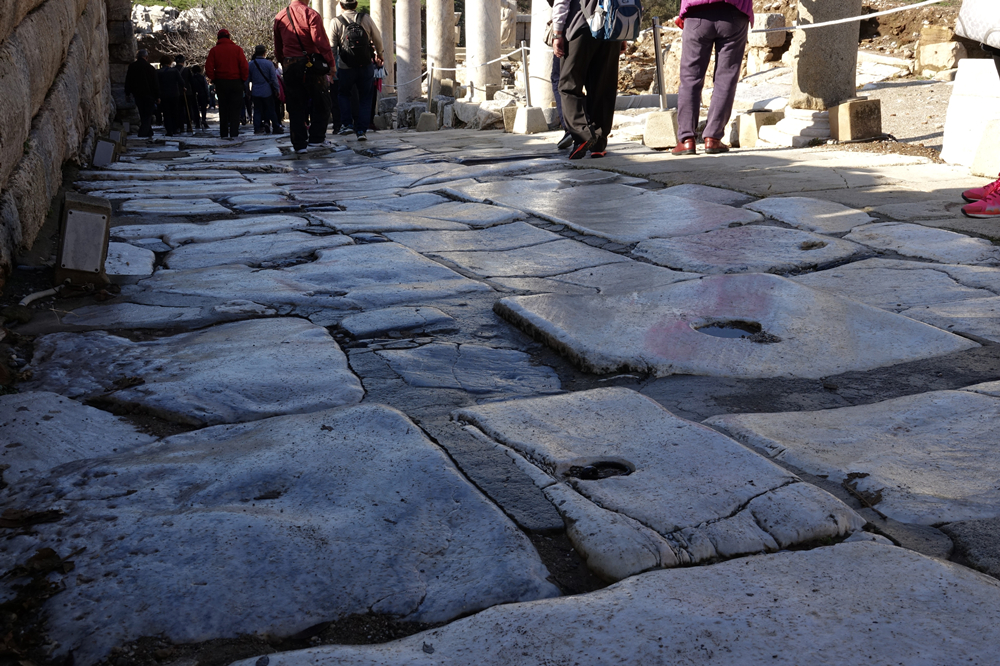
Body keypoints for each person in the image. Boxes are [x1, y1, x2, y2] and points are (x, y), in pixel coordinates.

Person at [671, 0, 753, 156]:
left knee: (690, 79)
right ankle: (713, 138)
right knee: (726, 79)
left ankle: (686, 140)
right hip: (734, 12)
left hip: (696, 14)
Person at [552, 0, 623, 159]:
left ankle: (582, 134)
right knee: (603, 86)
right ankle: (599, 143)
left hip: (581, 26)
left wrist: (557, 32)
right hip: (611, 27)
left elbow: (562, 2)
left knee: (568, 85)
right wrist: (622, 34)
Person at [274, 0, 336, 153]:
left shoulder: (280, 16)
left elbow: (278, 46)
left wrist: (284, 61)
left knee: (295, 105)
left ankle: (299, 144)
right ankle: (317, 138)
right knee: (322, 101)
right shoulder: (311, 14)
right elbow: (321, 42)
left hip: (290, 64)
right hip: (310, 64)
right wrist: (331, 63)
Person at [330, 0, 382, 141]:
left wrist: (332, 67)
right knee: (366, 97)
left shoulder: (335, 22)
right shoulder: (366, 18)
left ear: (341, 6)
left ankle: (347, 124)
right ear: (356, 4)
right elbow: (377, 38)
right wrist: (380, 54)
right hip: (365, 64)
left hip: (345, 66)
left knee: (343, 94)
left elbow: (332, 47)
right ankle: (361, 130)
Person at [205, 28, 250, 139]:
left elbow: (208, 67)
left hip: (221, 82)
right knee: (235, 109)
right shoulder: (237, 49)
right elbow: (244, 66)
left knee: (223, 109)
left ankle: (224, 133)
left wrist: (214, 79)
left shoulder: (214, 50)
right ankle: (234, 132)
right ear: (229, 37)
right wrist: (243, 79)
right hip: (236, 81)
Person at [124, 49, 160, 138]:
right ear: (146, 57)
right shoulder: (150, 68)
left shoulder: (132, 66)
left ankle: (149, 131)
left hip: (137, 94)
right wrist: (157, 96)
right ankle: (143, 132)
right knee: (148, 114)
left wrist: (127, 92)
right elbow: (155, 83)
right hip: (149, 94)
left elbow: (128, 80)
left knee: (142, 112)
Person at [249, 45, 282, 134]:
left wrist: (248, 90)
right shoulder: (269, 64)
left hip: (255, 90)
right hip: (267, 91)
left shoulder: (251, 64)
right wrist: (277, 89)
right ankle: (276, 127)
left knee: (257, 110)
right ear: (264, 53)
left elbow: (248, 79)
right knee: (271, 109)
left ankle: (257, 128)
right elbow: (274, 78)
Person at [156, 55, 184, 136]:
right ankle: (175, 128)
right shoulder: (174, 71)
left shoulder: (158, 72)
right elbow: (181, 81)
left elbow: (156, 84)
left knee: (166, 113)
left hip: (163, 94)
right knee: (174, 111)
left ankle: (169, 130)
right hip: (174, 94)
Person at [175, 54, 197, 133]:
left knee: (179, 110)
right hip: (187, 92)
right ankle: (189, 126)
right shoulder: (186, 70)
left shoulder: (173, 70)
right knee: (188, 110)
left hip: (176, 92)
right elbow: (191, 81)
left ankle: (180, 126)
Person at [190, 64, 210, 129]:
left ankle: (197, 122)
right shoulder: (202, 77)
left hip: (194, 95)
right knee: (203, 108)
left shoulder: (191, 78)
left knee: (195, 109)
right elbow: (206, 87)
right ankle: (203, 120)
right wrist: (207, 96)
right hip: (202, 94)